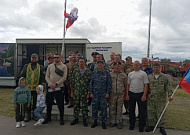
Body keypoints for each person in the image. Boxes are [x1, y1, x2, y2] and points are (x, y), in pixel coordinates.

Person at [145, 63, 173, 135]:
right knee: (151, 112)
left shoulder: (164, 77)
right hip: (151, 98)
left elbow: (168, 87)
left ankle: (161, 127)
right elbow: (146, 87)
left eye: (157, 67)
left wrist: (170, 95)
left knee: (161, 112)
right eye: (154, 67)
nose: (155, 69)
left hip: (161, 99)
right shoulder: (149, 77)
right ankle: (151, 125)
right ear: (152, 68)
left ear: (160, 68)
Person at [43, 53, 67, 125]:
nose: (56, 59)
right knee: (49, 103)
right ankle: (48, 117)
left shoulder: (64, 66)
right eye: (55, 57)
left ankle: (61, 118)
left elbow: (64, 77)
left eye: (57, 57)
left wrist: (56, 84)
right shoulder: (50, 66)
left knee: (60, 104)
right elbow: (47, 76)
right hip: (50, 87)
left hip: (59, 87)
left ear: (60, 58)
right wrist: (50, 84)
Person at [20, 53, 45, 122]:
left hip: (37, 89)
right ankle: (27, 115)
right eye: (32, 58)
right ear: (31, 58)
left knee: (35, 102)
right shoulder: (26, 66)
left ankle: (35, 115)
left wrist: (42, 86)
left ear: (37, 59)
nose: (34, 59)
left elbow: (43, 78)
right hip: (27, 89)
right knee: (27, 102)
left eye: (35, 58)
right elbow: (22, 75)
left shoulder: (41, 67)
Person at [126, 60, 149, 132]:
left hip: (140, 94)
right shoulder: (130, 74)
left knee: (141, 111)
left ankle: (141, 125)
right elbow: (128, 84)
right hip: (132, 93)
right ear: (133, 66)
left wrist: (144, 95)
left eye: (137, 65)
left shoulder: (143, 73)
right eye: (134, 65)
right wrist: (127, 94)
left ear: (140, 65)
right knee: (131, 110)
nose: (136, 66)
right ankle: (132, 124)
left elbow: (146, 85)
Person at [89, 60, 111, 129]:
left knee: (103, 108)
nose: (100, 65)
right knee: (94, 108)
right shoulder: (93, 73)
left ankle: (103, 122)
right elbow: (91, 83)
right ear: (96, 65)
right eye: (98, 64)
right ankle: (95, 121)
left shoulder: (106, 73)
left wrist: (108, 92)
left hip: (103, 94)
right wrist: (91, 92)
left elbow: (109, 83)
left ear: (103, 65)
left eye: (101, 64)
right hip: (95, 93)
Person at [70, 56, 91, 127]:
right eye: (80, 62)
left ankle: (85, 119)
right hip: (76, 91)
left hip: (84, 92)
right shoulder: (75, 71)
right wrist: (72, 92)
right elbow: (72, 82)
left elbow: (89, 83)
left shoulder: (88, 71)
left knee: (84, 106)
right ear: (78, 62)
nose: (81, 63)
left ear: (85, 62)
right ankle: (76, 118)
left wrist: (88, 92)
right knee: (76, 105)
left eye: (82, 62)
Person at [109, 62, 127, 129]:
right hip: (112, 94)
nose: (117, 67)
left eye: (118, 66)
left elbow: (126, 85)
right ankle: (113, 121)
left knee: (119, 108)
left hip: (121, 94)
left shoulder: (124, 75)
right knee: (112, 108)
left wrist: (126, 94)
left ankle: (119, 122)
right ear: (113, 67)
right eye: (116, 66)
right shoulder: (110, 74)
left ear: (121, 67)